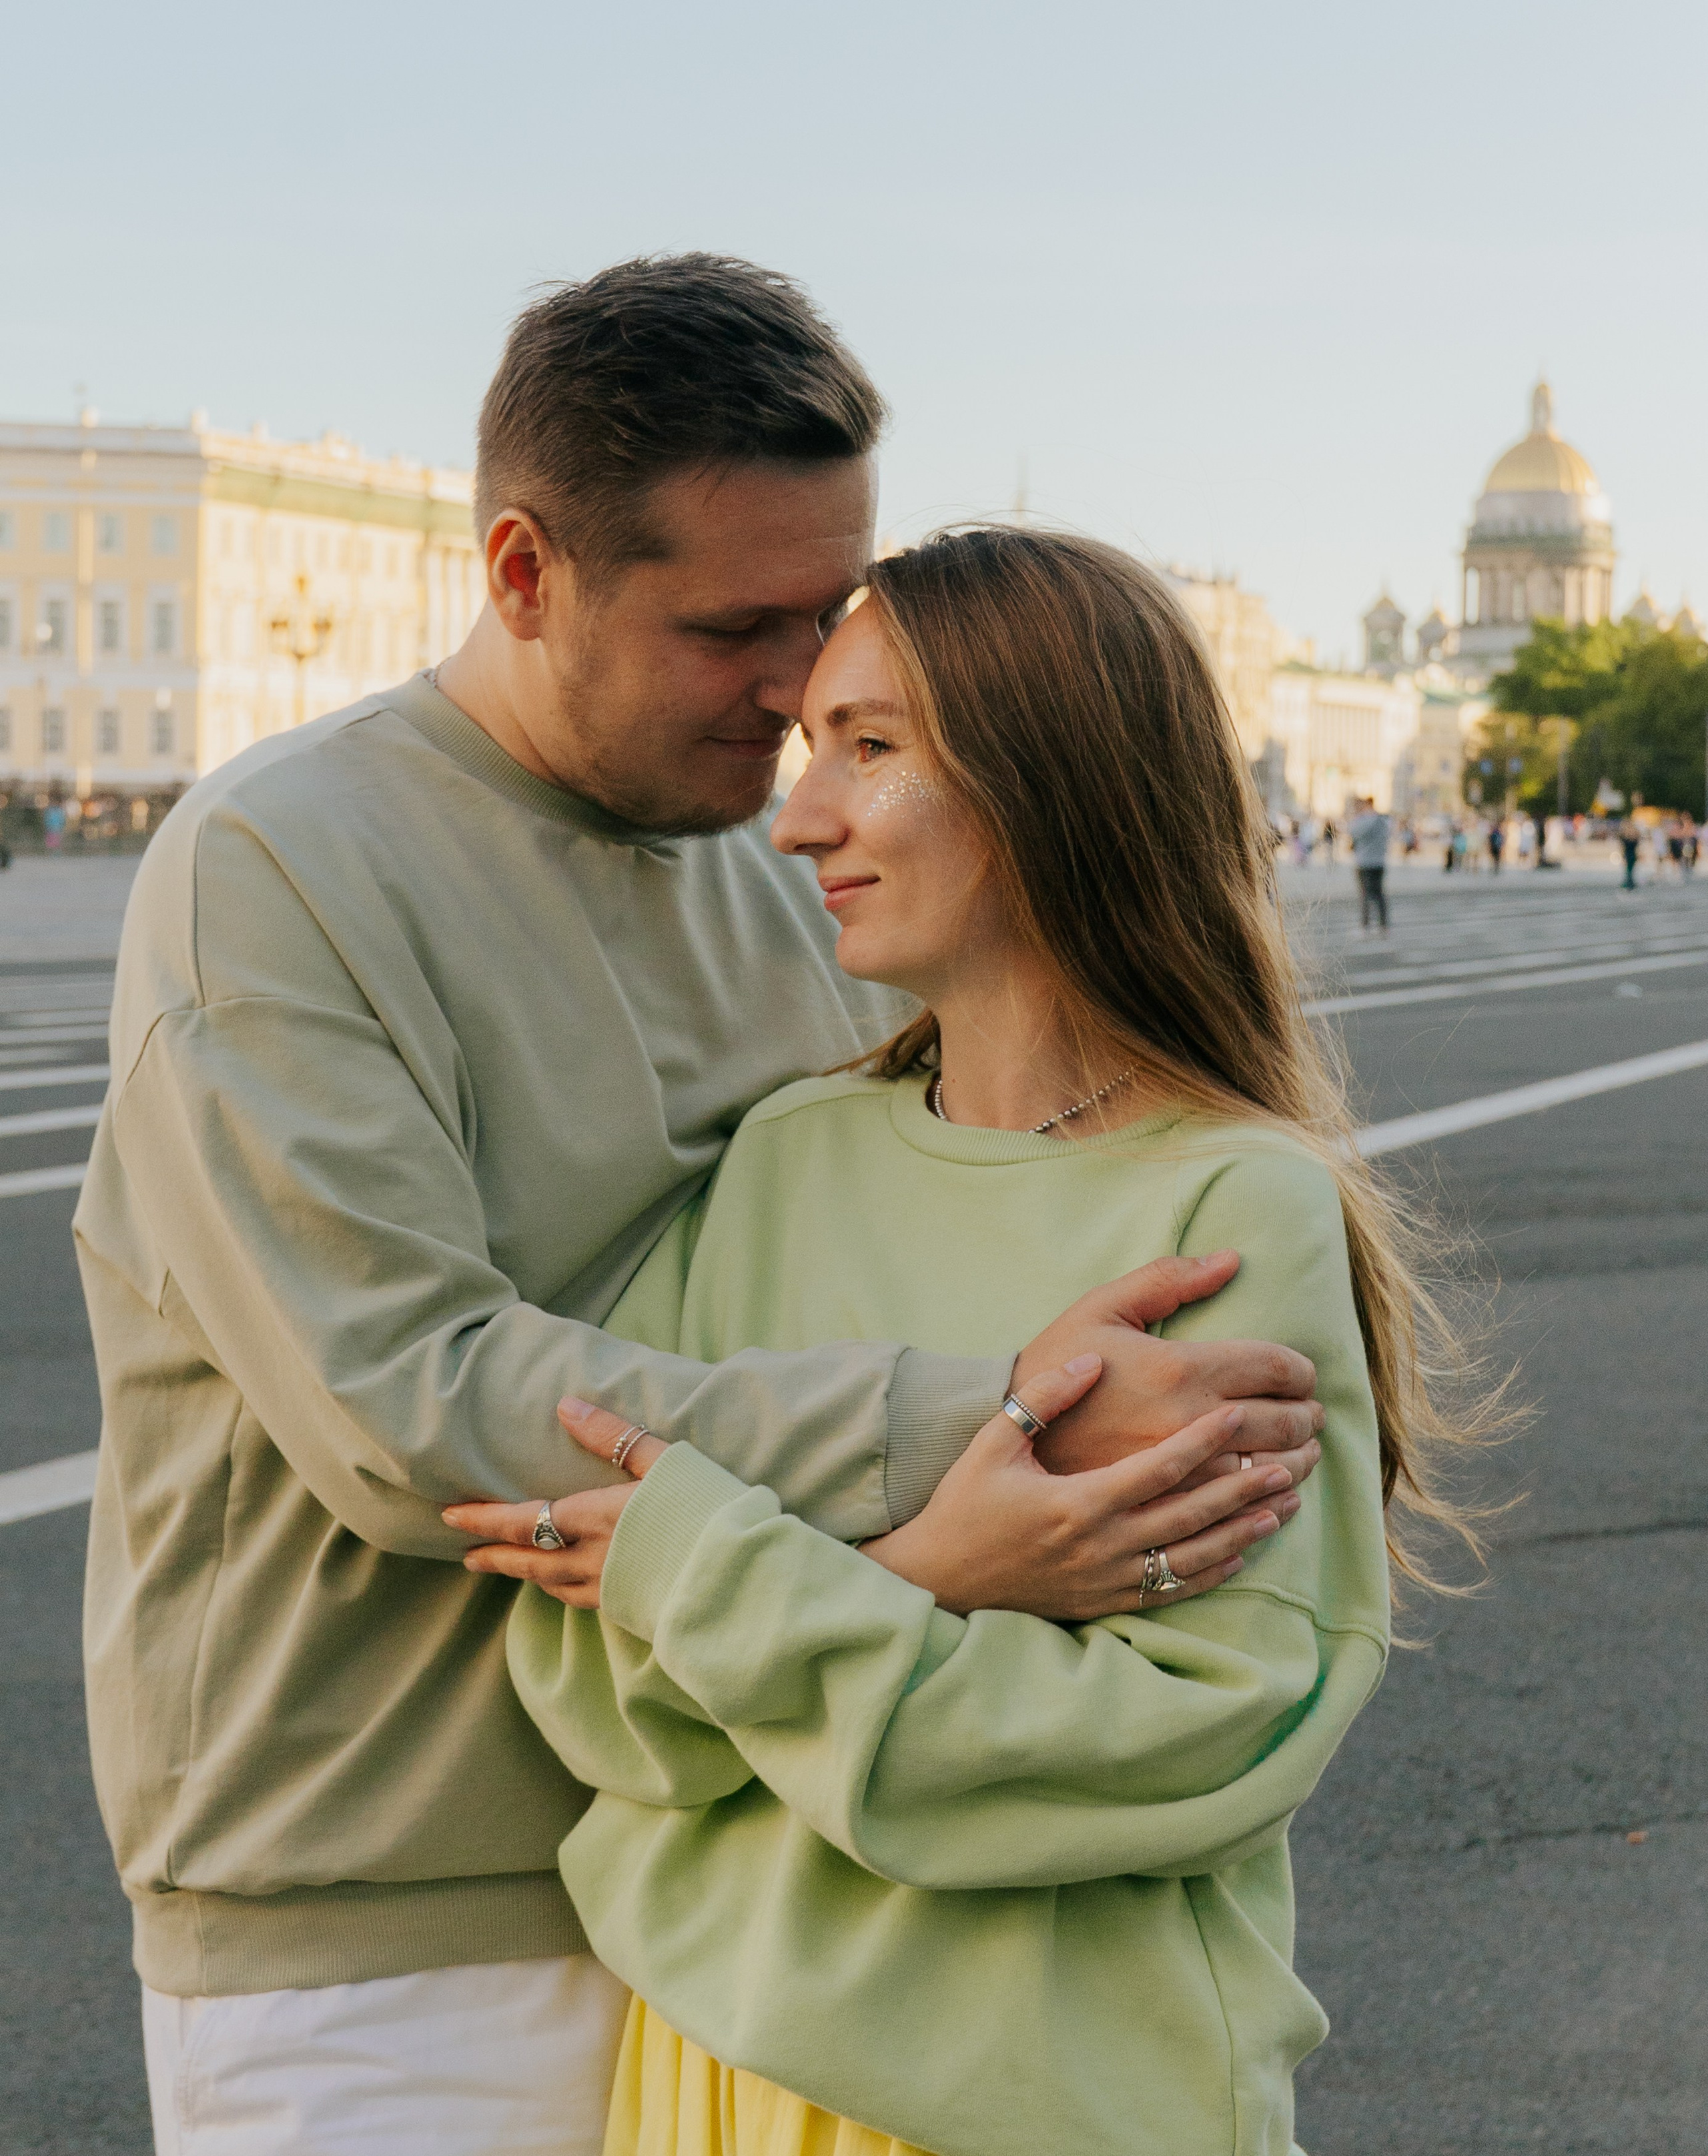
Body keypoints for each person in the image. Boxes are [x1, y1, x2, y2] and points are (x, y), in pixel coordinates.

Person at [74, 263, 1322, 2156]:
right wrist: (974, 1428)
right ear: (520, 574)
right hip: (386, 1919)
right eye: (735, 625)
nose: (798, 685)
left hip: (741, 1871)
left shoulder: (784, 874)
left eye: (831, 615)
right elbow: (412, 1411)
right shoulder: (279, 865)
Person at [454, 532, 1488, 2156]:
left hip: (1047, 2096)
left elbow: (1180, 1739)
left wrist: (746, 1576)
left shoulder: (1229, 1202)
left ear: (1049, 780)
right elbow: (580, 1678)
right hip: (701, 2070)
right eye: (810, 750)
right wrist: (948, 1565)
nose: (796, 817)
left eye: (867, 748)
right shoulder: (784, 1156)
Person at [1347, 792, 1390, 932]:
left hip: (1365, 862)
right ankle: (1384, 925)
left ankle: (1365, 926)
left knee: (1365, 895)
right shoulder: (1382, 821)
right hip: (1379, 861)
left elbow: (1352, 832)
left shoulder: (1362, 820)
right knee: (1379, 894)